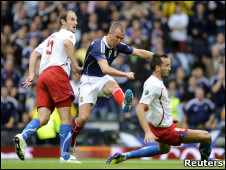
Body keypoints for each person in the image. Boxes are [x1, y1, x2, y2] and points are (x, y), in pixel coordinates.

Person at [106, 53, 213, 164]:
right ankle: (205, 162)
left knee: (164, 149)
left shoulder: (151, 81)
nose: (170, 68)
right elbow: (140, 109)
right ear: (157, 67)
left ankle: (124, 156)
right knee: (206, 136)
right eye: (166, 65)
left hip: (160, 127)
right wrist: (147, 131)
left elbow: (153, 106)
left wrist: (169, 119)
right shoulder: (154, 85)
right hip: (166, 131)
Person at [70, 22, 155, 155]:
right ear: (109, 33)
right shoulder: (98, 45)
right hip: (88, 81)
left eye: (121, 38)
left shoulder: (118, 45)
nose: (119, 41)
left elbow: (137, 51)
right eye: (117, 37)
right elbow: (105, 68)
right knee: (83, 118)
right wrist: (125, 74)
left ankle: (124, 104)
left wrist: (155, 56)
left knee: (114, 85)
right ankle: (72, 140)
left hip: (103, 78)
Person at [13, 10, 83, 163]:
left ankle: (22, 136)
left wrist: (31, 75)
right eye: (72, 19)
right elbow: (66, 44)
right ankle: (65, 156)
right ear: (63, 22)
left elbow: (33, 54)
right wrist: (76, 65)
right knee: (66, 117)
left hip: (43, 77)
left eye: (76, 20)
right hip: (57, 74)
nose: (75, 23)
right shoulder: (68, 35)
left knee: (43, 118)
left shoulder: (50, 38)